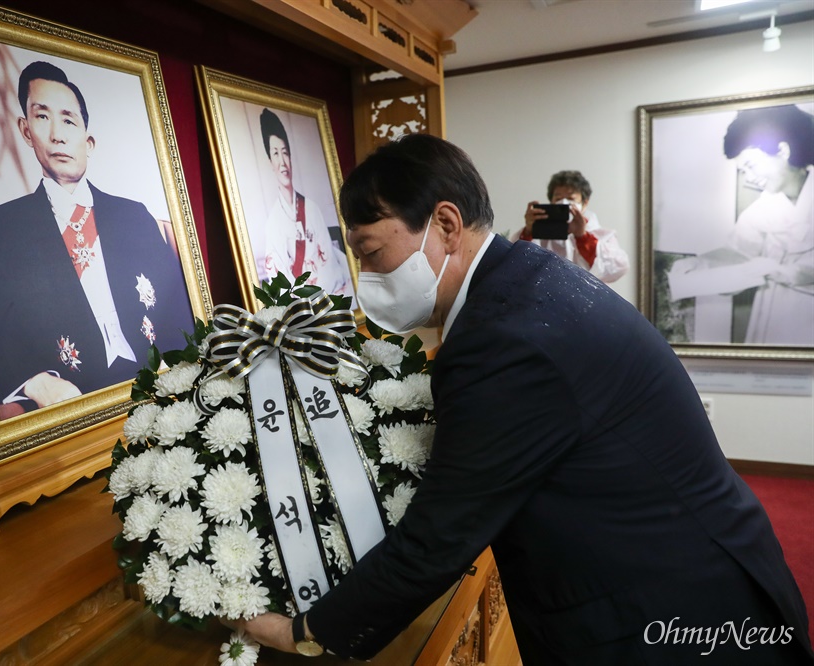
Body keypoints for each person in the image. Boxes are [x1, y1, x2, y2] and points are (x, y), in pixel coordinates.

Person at [235, 134, 812, 664]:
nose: (366, 276)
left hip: (672, 616)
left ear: (444, 224)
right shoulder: (527, 277)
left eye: (371, 252)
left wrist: (306, 631)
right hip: (706, 562)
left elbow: (439, 536)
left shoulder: (500, 340)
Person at [0, 61, 194, 416]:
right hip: (75, 399)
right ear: (26, 131)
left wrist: (176, 372)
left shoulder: (134, 215)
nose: (58, 134)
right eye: (43, 117)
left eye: (69, 120)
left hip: (157, 387)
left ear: (88, 141)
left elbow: (177, 310)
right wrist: (37, 383)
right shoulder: (2, 227)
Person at [668, 104, 813, 345]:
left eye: (750, 166)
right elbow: (738, 251)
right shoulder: (766, 205)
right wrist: (699, 263)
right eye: (743, 170)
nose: (749, 177)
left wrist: (784, 271)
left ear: (782, 150)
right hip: (774, 310)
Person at [258, 108, 352, 296]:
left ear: (291, 157)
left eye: (285, 152)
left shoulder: (311, 209)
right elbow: (279, 281)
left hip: (327, 295)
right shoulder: (272, 224)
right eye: (275, 153)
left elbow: (329, 264)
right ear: (270, 161)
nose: (282, 161)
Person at [514, 170, 629, 283]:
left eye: (571, 198)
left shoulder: (603, 235)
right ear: (551, 201)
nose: (564, 202)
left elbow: (618, 268)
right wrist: (529, 231)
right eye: (558, 198)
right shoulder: (538, 233)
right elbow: (515, 263)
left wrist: (582, 237)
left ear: (585, 203)